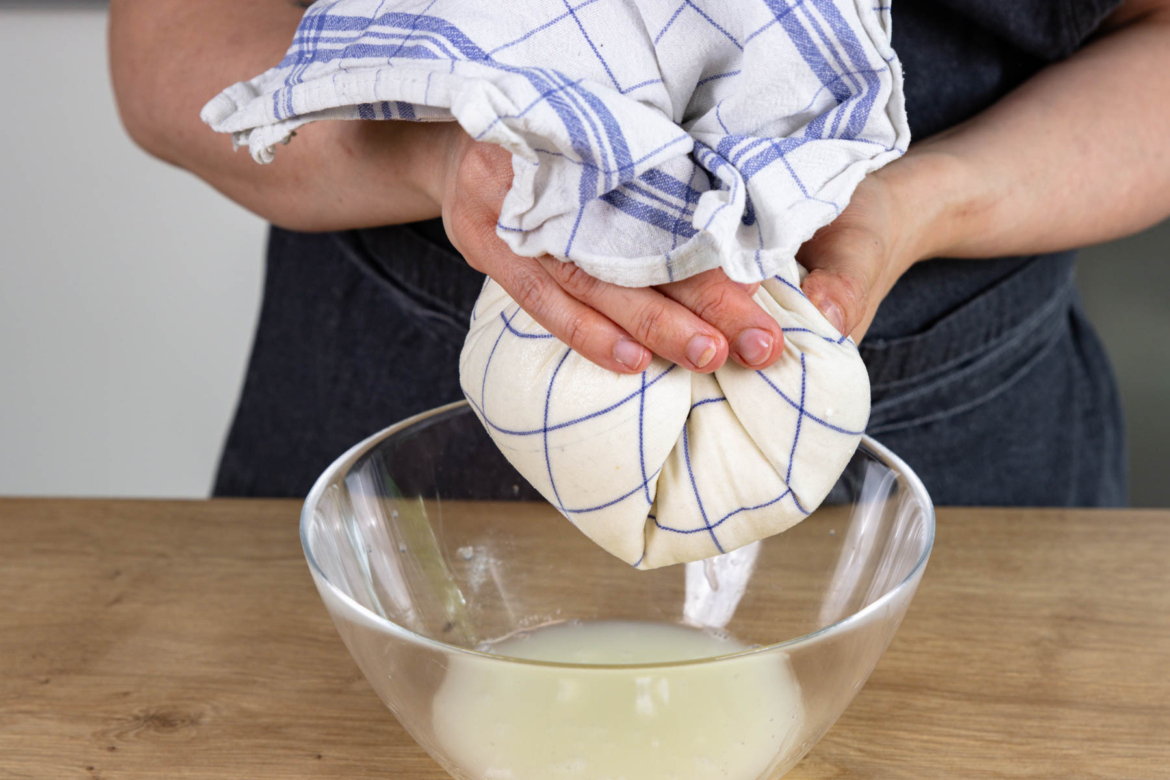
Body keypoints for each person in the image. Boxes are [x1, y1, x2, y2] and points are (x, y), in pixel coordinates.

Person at [110, 0, 1170, 503]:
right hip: (396, 450)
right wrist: (443, 163)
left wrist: (914, 203)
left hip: (970, 472)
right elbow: (170, 50)